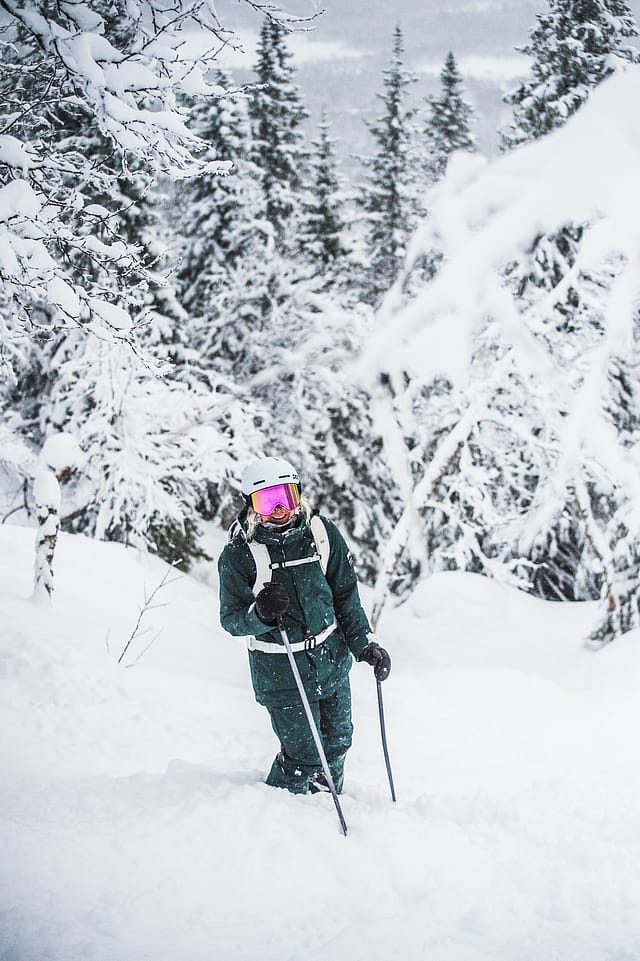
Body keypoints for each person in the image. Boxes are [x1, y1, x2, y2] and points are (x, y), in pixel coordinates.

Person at [218, 455, 391, 795]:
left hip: (331, 661)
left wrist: (365, 645)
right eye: (267, 501)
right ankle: (285, 815)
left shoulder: (322, 534)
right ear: (251, 505)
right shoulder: (240, 553)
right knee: (304, 755)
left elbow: (345, 597)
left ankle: (327, 804)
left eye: (286, 496)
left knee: (338, 742)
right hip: (281, 670)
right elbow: (231, 620)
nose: (279, 508)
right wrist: (261, 614)